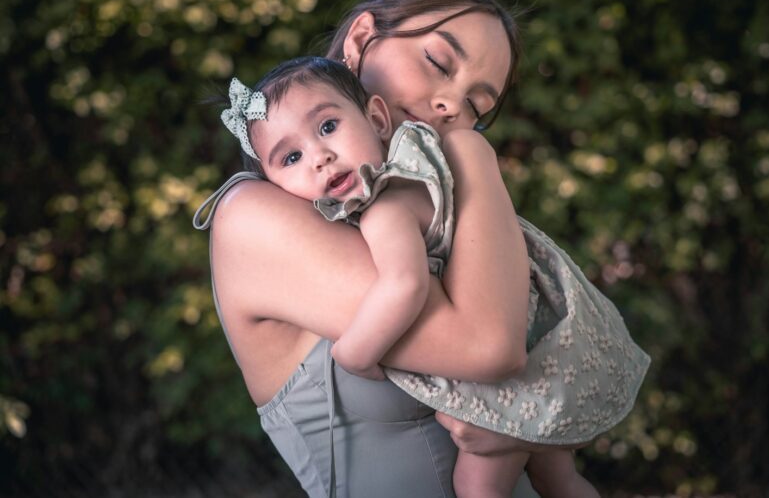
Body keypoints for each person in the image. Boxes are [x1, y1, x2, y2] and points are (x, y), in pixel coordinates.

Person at [212, 55, 649, 497]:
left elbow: (405, 284)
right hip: (542, 354)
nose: (320, 158)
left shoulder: (386, 204)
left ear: (377, 118)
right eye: (290, 157)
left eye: (327, 128)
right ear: (270, 183)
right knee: (562, 481)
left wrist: (356, 354)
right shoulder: (429, 177)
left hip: (506, 383)